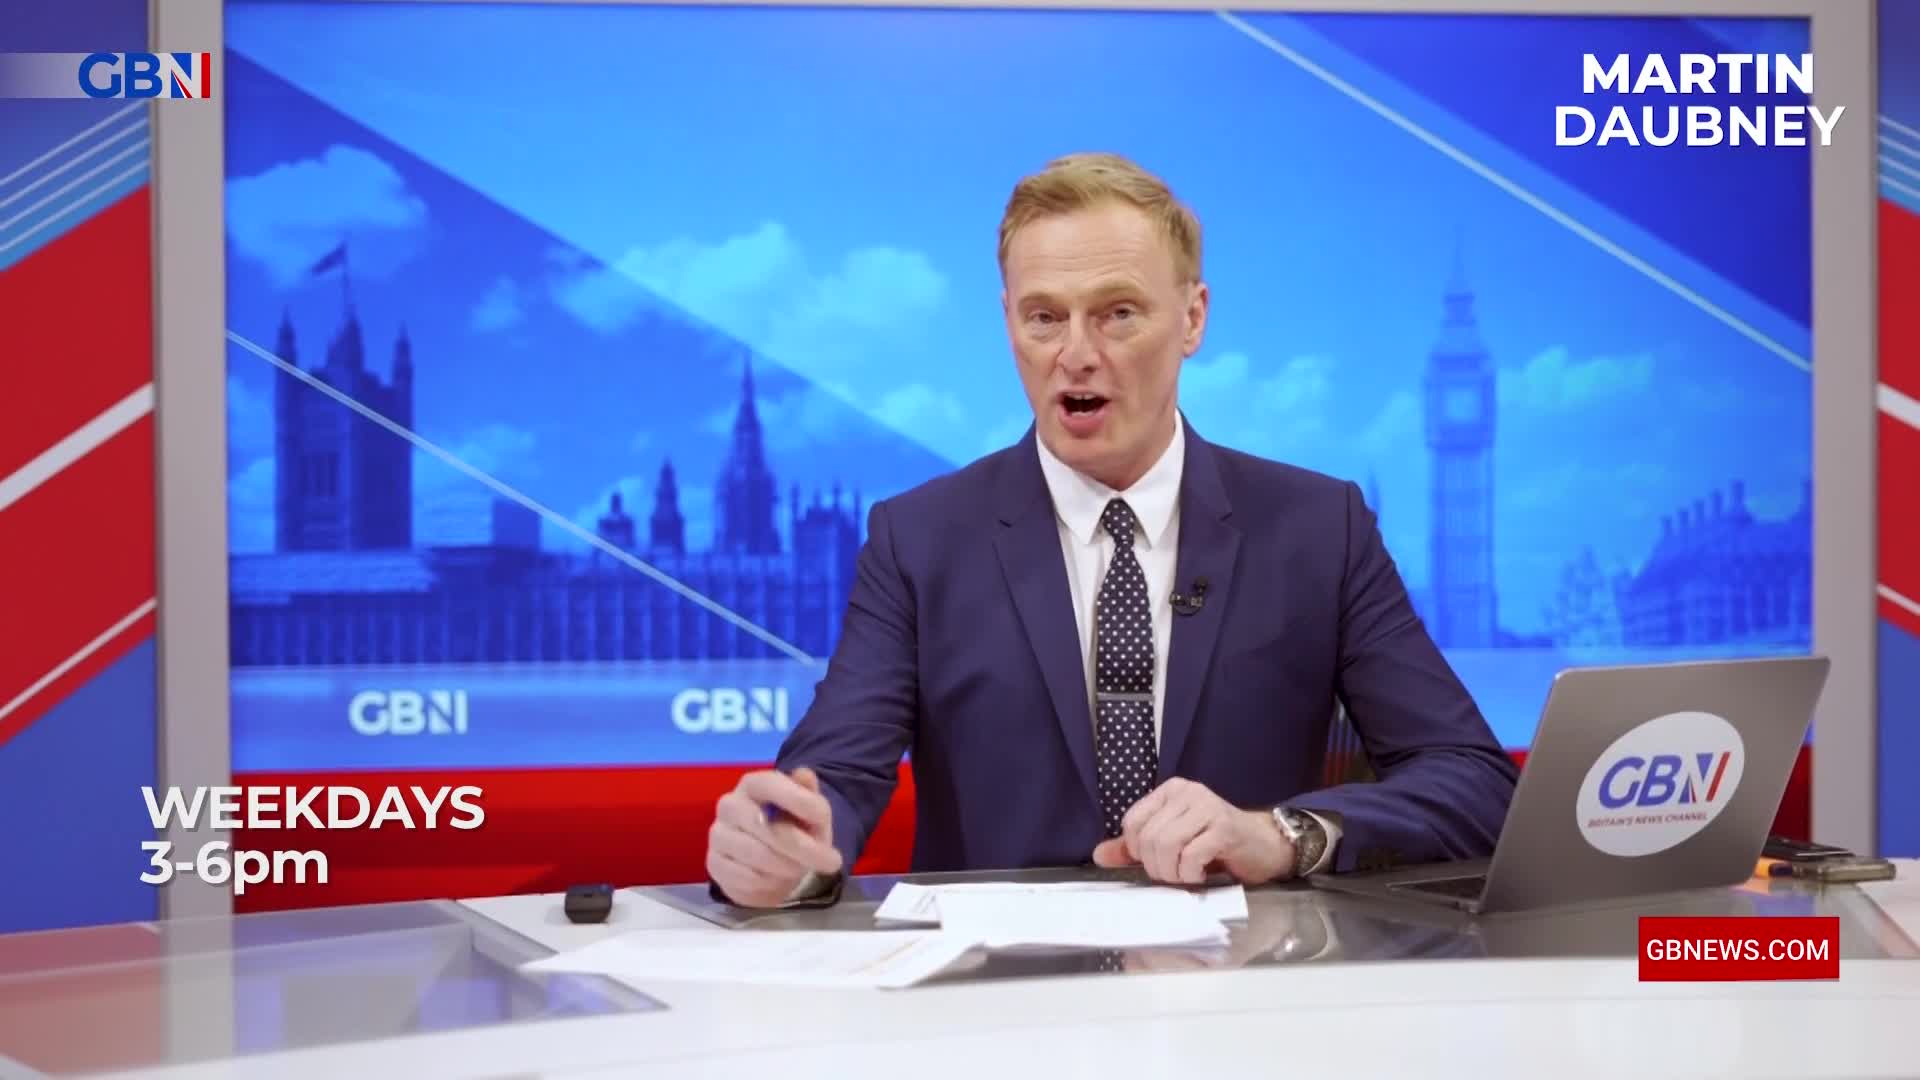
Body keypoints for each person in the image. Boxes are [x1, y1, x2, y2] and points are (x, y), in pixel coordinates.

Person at [704, 152, 1519, 908]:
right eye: (1044, 318)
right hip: (994, 1016)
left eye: (1118, 313)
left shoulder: (1318, 528)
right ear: (1008, 323)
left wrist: (1280, 836)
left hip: (1249, 1005)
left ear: (1193, 319)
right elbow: (833, 783)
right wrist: (788, 847)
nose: (1076, 354)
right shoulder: (918, 539)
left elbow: (1474, 784)